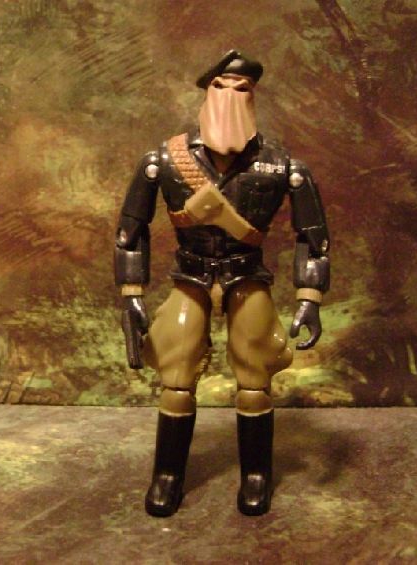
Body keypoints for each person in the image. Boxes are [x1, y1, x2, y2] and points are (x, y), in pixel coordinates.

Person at [114, 50, 330, 517]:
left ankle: (256, 475)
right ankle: (167, 474)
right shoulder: (164, 161)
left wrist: (310, 296)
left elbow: (313, 239)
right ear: (206, 91)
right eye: (221, 85)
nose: (230, 94)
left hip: (246, 276)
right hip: (190, 276)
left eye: (242, 88)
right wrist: (132, 295)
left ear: (253, 96)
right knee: (176, 376)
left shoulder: (282, 166)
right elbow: (130, 234)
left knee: (254, 379)